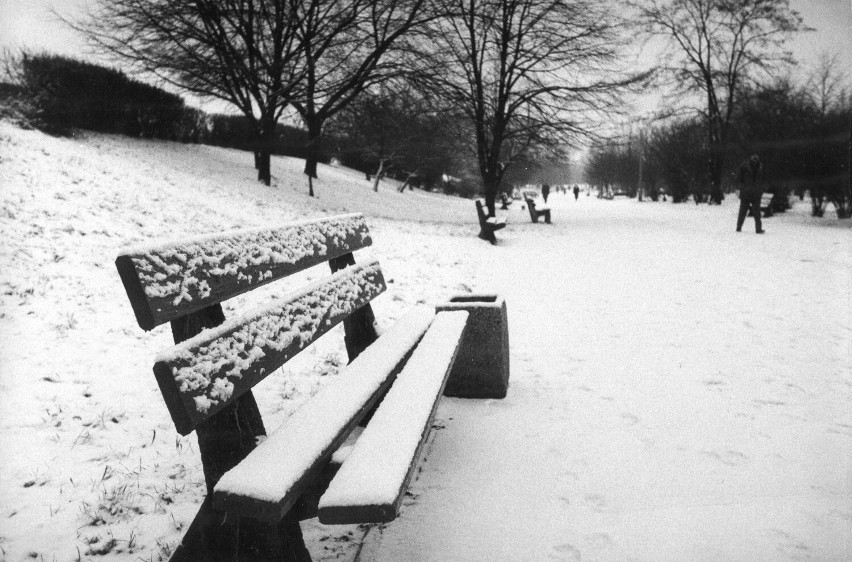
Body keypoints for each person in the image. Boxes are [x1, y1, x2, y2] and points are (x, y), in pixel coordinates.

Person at [736, 152, 765, 233]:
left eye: (756, 156)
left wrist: (761, 188)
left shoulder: (760, 167)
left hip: (756, 193)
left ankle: (758, 229)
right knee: (742, 212)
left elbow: (763, 179)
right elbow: (739, 178)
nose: (755, 158)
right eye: (754, 156)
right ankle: (738, 227)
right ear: (751, 157)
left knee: (757, 213)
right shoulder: (744, 167)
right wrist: (742, 187)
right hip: (746, 193)